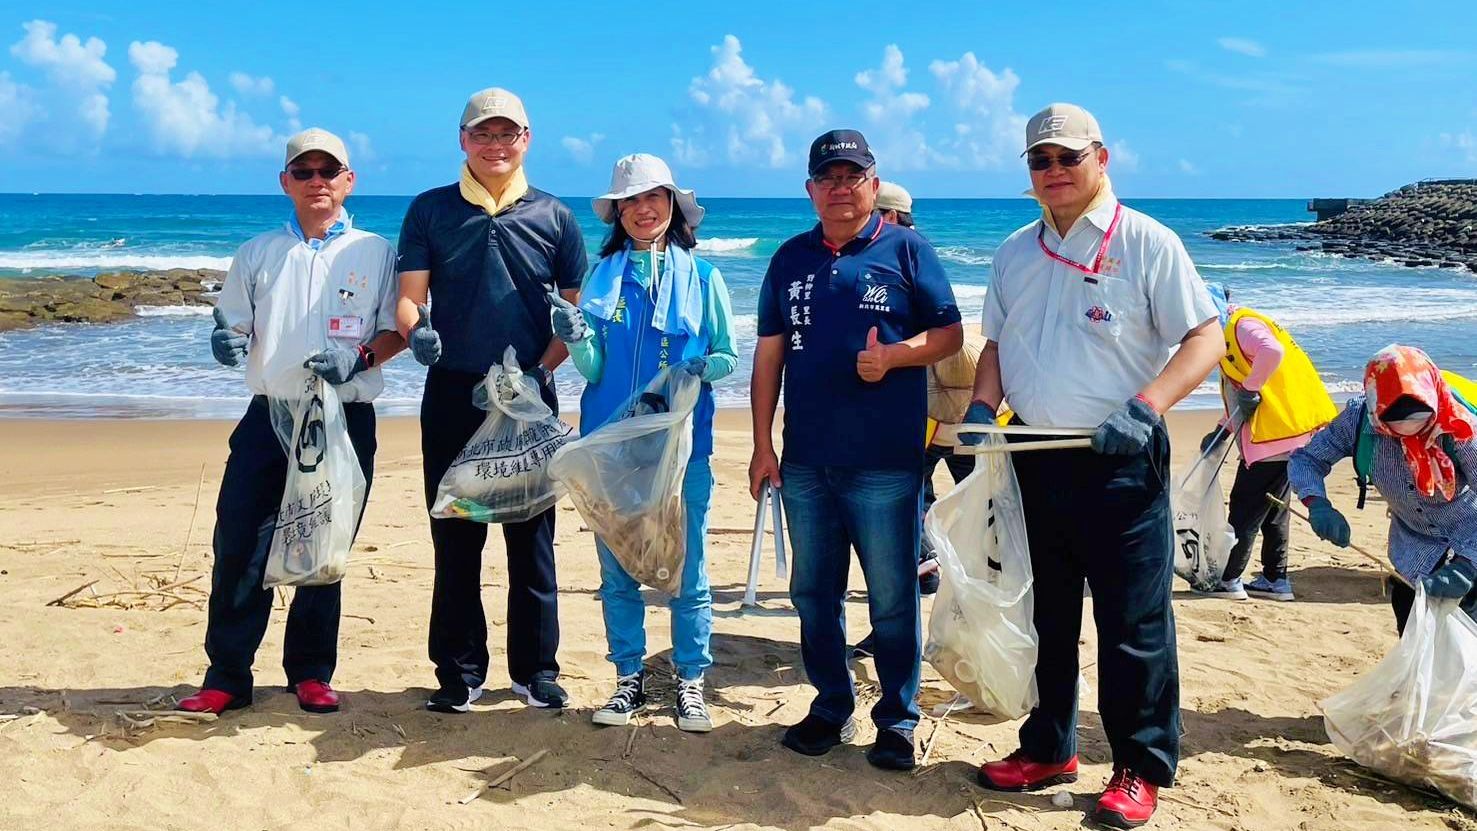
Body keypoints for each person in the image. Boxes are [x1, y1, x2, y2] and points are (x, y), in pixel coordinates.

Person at [962, 103, 1223, 828]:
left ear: (1100, 158)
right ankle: (1047, 745)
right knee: (1044, 615)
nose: (1052, 172)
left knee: (1131, 624)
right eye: (1039, 161)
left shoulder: (1145, 241)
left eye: (1066, 158)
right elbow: (994, 346)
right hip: (1033, 457)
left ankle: (1139, 766)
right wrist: (984, 408)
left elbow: (1205, 335)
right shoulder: (1014, 249)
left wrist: (1148, 405)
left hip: (1120, 459)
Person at [750, 129, 964, 771]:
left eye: (853, 176)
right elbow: (768, 356)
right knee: (813, 592)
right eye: (829, 178)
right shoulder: (788, 258)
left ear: (873, 184)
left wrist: (896, 357)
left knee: (894, 596)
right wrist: (763, 444)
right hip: (807, 460)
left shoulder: (908, 249)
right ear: (811, 190)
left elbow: (950, 333)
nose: (841, 188)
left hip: (886, 463)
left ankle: (897, 718)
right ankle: (830, 706)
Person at [181, 128, 404, 715]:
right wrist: (225, 343)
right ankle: (227, 675)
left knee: (322, 547)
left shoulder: (376, 252)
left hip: (343, 419)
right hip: (268, 416)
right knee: (238, 546)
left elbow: (397, 330)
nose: (317, 182)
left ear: (348, 180)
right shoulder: (257, 253)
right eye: (303, 172)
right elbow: (231, 324)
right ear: (286, 182)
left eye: (328, 172)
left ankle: (310, 671)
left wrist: (359, 357)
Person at [396, 88, 587, 713]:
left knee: (531, 535)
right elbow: (410, 297)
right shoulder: (430, 210)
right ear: (462, 139)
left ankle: (536, 671)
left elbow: (571, 316)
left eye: (507, 134)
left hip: (531, 393)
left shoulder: (556, 216)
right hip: (454, 390)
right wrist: (414, 331)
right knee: (456, 534)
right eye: (483, 134)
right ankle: (458, 671)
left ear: (526, 139)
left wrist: (540, 370)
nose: (495, 145)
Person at [550, 153, 737, 733]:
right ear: (618, 213)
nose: (642, 209)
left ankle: (690, 683)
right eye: (630, 201)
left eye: (653, 197)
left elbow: (728, 356)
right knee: (616, 570)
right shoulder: (601, 279)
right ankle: (627, 679)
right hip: (610, 447)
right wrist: (576, 336)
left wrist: (702, 367)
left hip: (682, 448)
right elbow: (594, 366)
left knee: (689, 568)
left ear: (673, 206)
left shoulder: (703, 277)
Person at [1290, 344, 1477, 634]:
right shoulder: (1357, 420)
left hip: (1470, 543)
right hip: (1412, 555)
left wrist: (1468, 566)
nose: (1408, 430)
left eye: (1419, 420)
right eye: (1395, 422)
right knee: (1415, 650)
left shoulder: (1458, 424)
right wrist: (1316, 503)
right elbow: (1307, 459)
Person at [1196, 285, 1336, 600]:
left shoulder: (1241, 325)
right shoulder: (1227, 334)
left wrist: (1250, 387)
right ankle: (1276, 580)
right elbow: (1241, 394)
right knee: (1274, 510)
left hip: (1277, 435)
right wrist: (1223, 429)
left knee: (1245, 510)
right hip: (1286, 434)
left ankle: (1229, 580)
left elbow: (1272, 352)